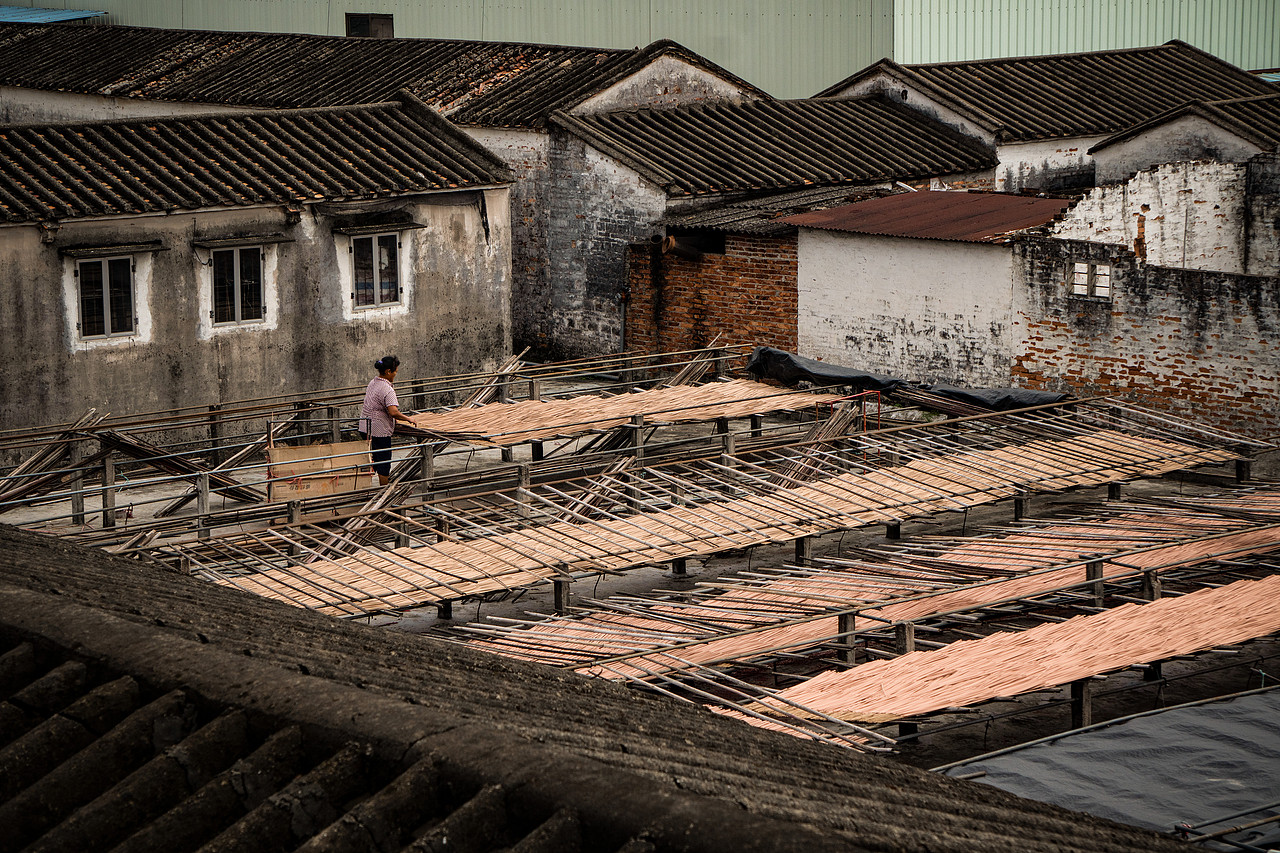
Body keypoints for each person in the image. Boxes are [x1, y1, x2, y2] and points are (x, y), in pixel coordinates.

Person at [360, 355, 414, 485]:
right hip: (379, 431)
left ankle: (365, 485)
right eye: (395, 371)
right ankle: (383, 491)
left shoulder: (373, 382)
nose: (396, 373)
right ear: (388, 371)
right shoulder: (387, 389)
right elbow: (393, 411)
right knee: (384, 463)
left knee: (372, 459)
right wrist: (408, 419)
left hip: (365, 427)